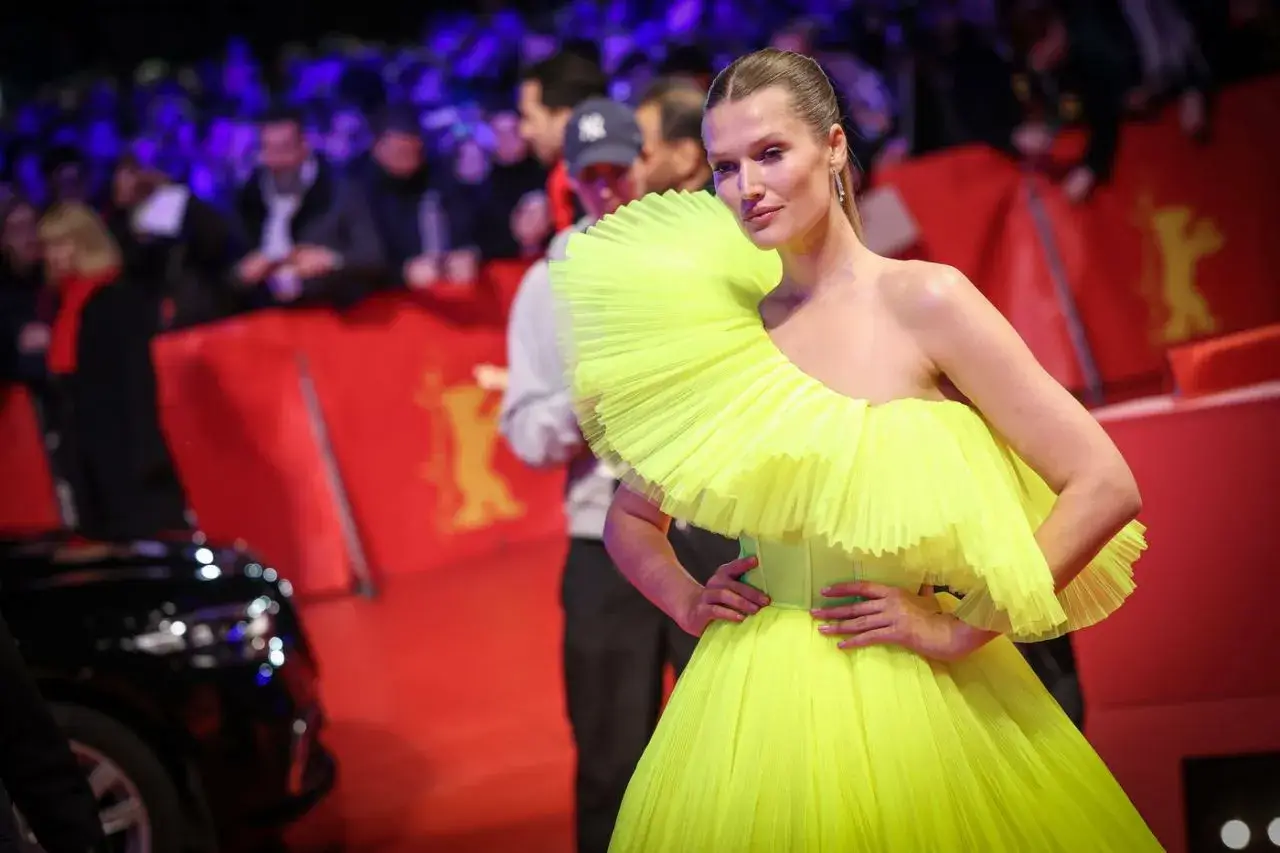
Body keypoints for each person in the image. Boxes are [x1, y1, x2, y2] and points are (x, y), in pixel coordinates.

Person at [549, 49, 1161, 851]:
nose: (748, 187)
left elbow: (1103, 483)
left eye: (771, 154)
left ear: (833, 147)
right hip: (750, 706)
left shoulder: (925, 300)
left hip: (922, 693)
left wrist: (964, 628)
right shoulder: (724, 333)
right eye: (727, 166)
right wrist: (687, 598)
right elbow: (632, 520)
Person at [499, 98, 732, 853]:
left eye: (617, 168)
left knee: (740, 740)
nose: (606, 186)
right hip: (605, 536)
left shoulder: (701, 250)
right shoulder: (548, 285)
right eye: (588, 174)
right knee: (611, 758)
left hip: (717, 522)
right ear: (571, 179)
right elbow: (525, 428)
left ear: (646, 163)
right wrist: (580, 404)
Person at [516, 53, 609, 233]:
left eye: (529, 118)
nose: (523, 131)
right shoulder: (568, 175)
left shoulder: (592, 179)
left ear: (564, 118)